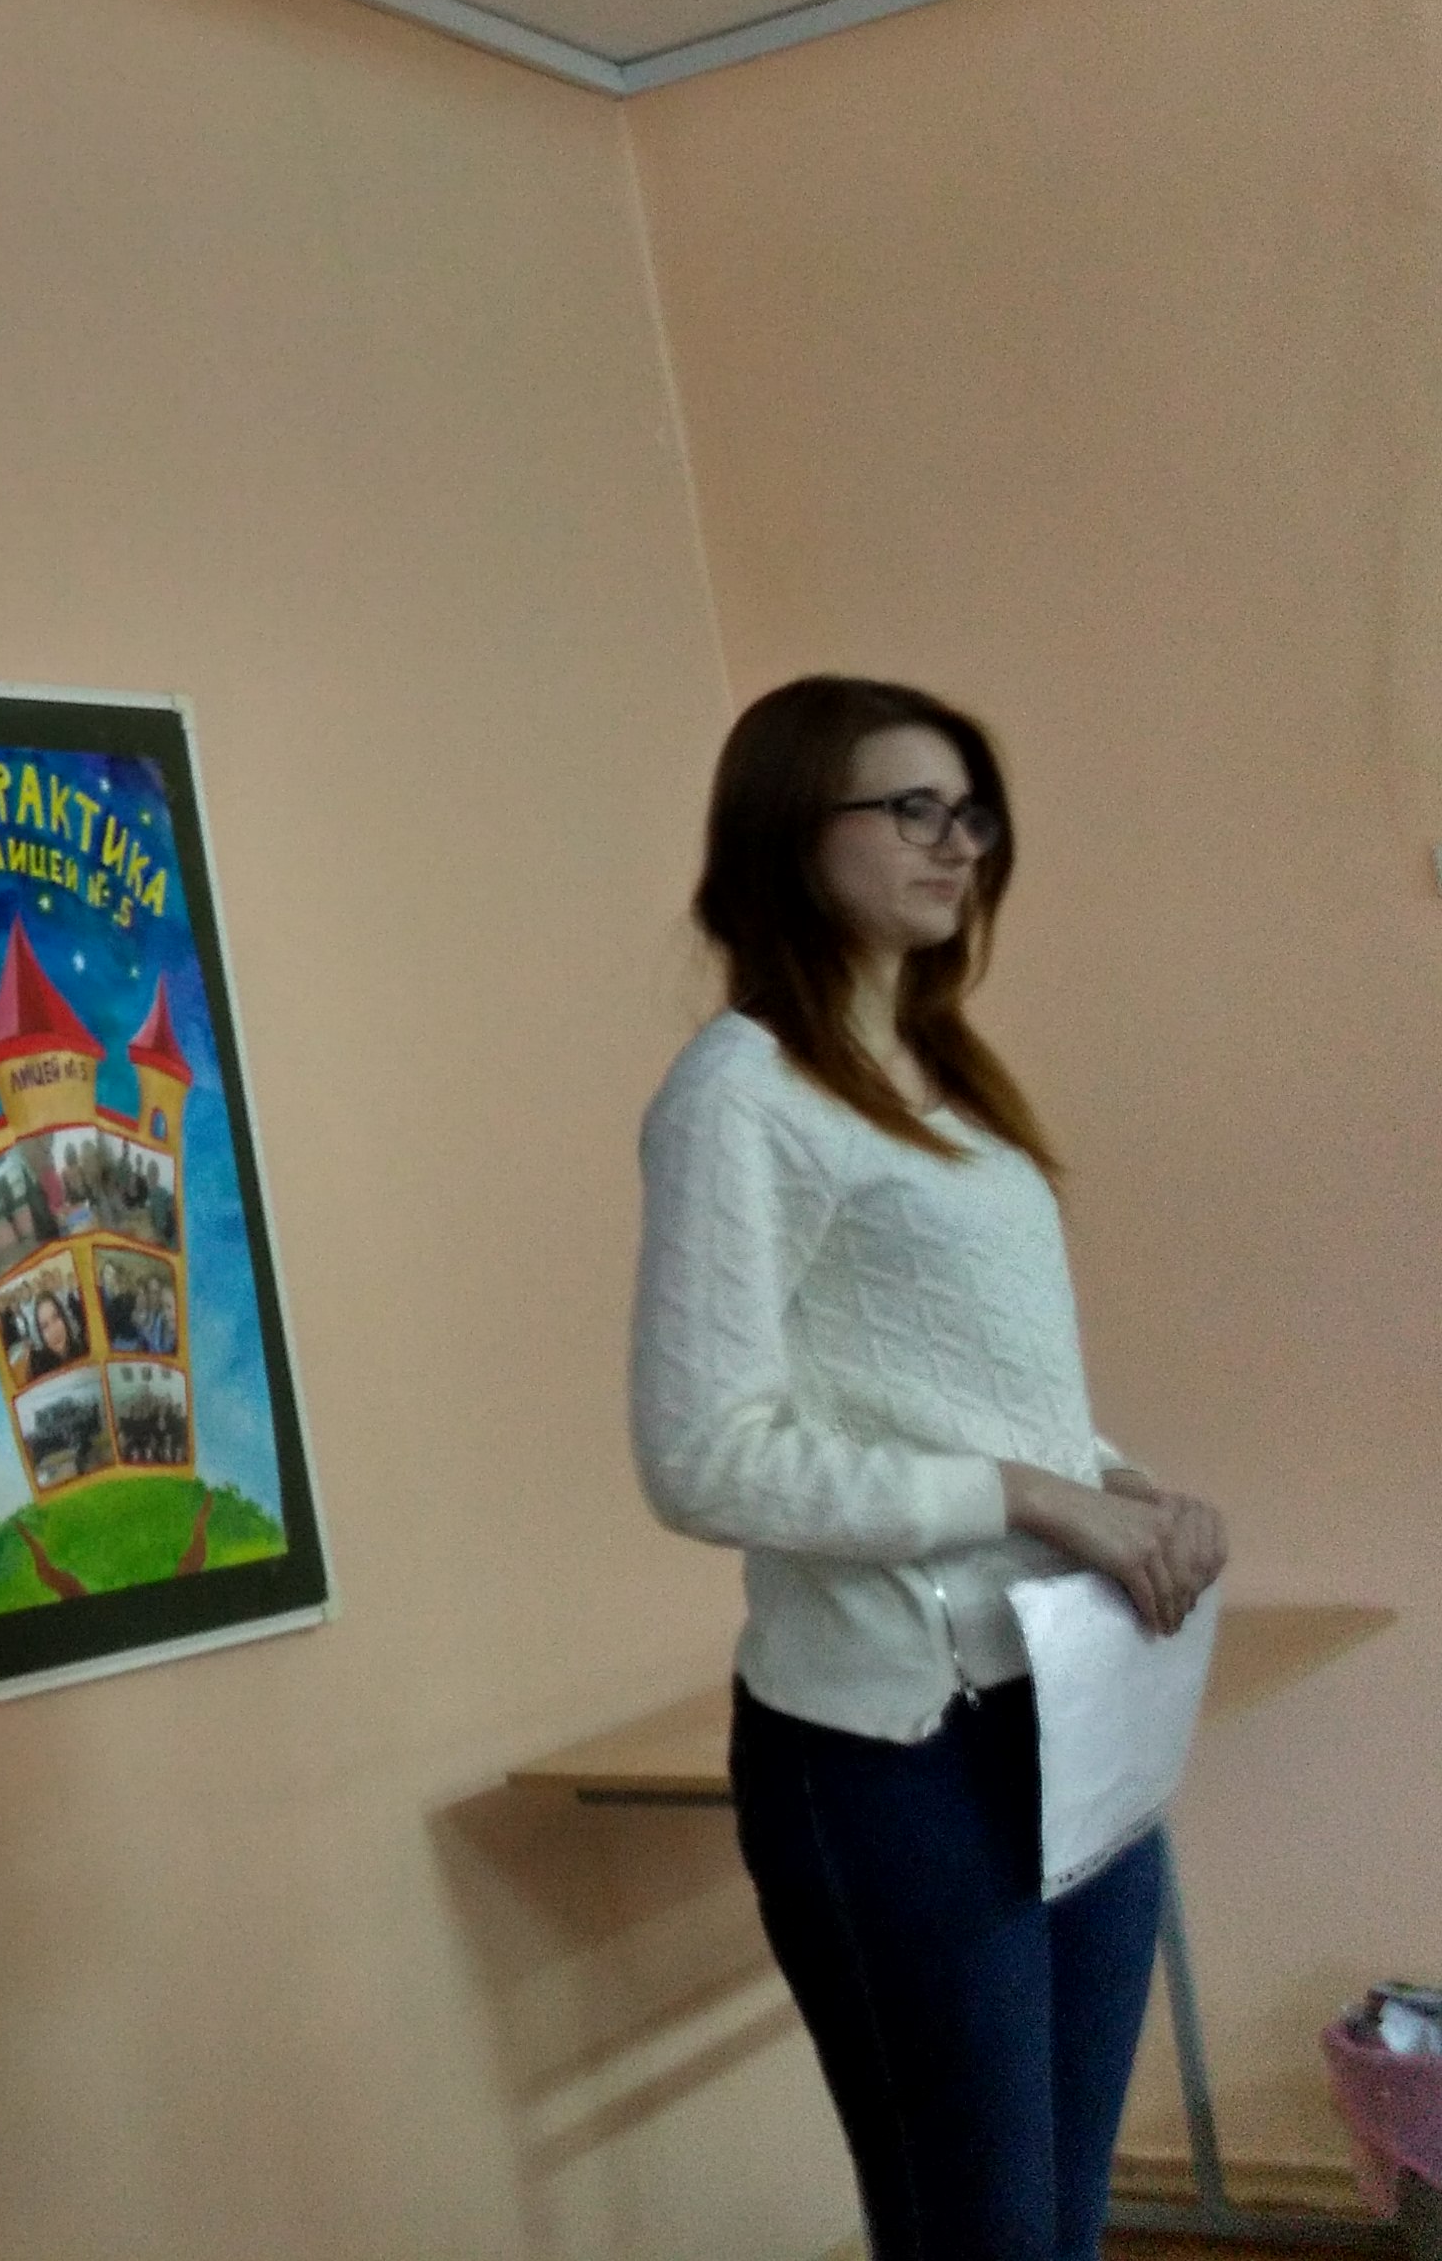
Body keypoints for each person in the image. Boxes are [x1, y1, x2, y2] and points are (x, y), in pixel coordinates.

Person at [635, 677, 1228, 2261]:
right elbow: (702, 1459)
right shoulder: (741, 1094)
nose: (958, 844)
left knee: (1060, 2227)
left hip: (1064, 1703)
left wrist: (1118, 1489)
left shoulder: (946, 1080)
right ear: (788, 828)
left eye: (972, 814)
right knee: (983, 2236)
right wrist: (1032, 1497)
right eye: (913, 809)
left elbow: (972, 1392)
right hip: (892, 1746)